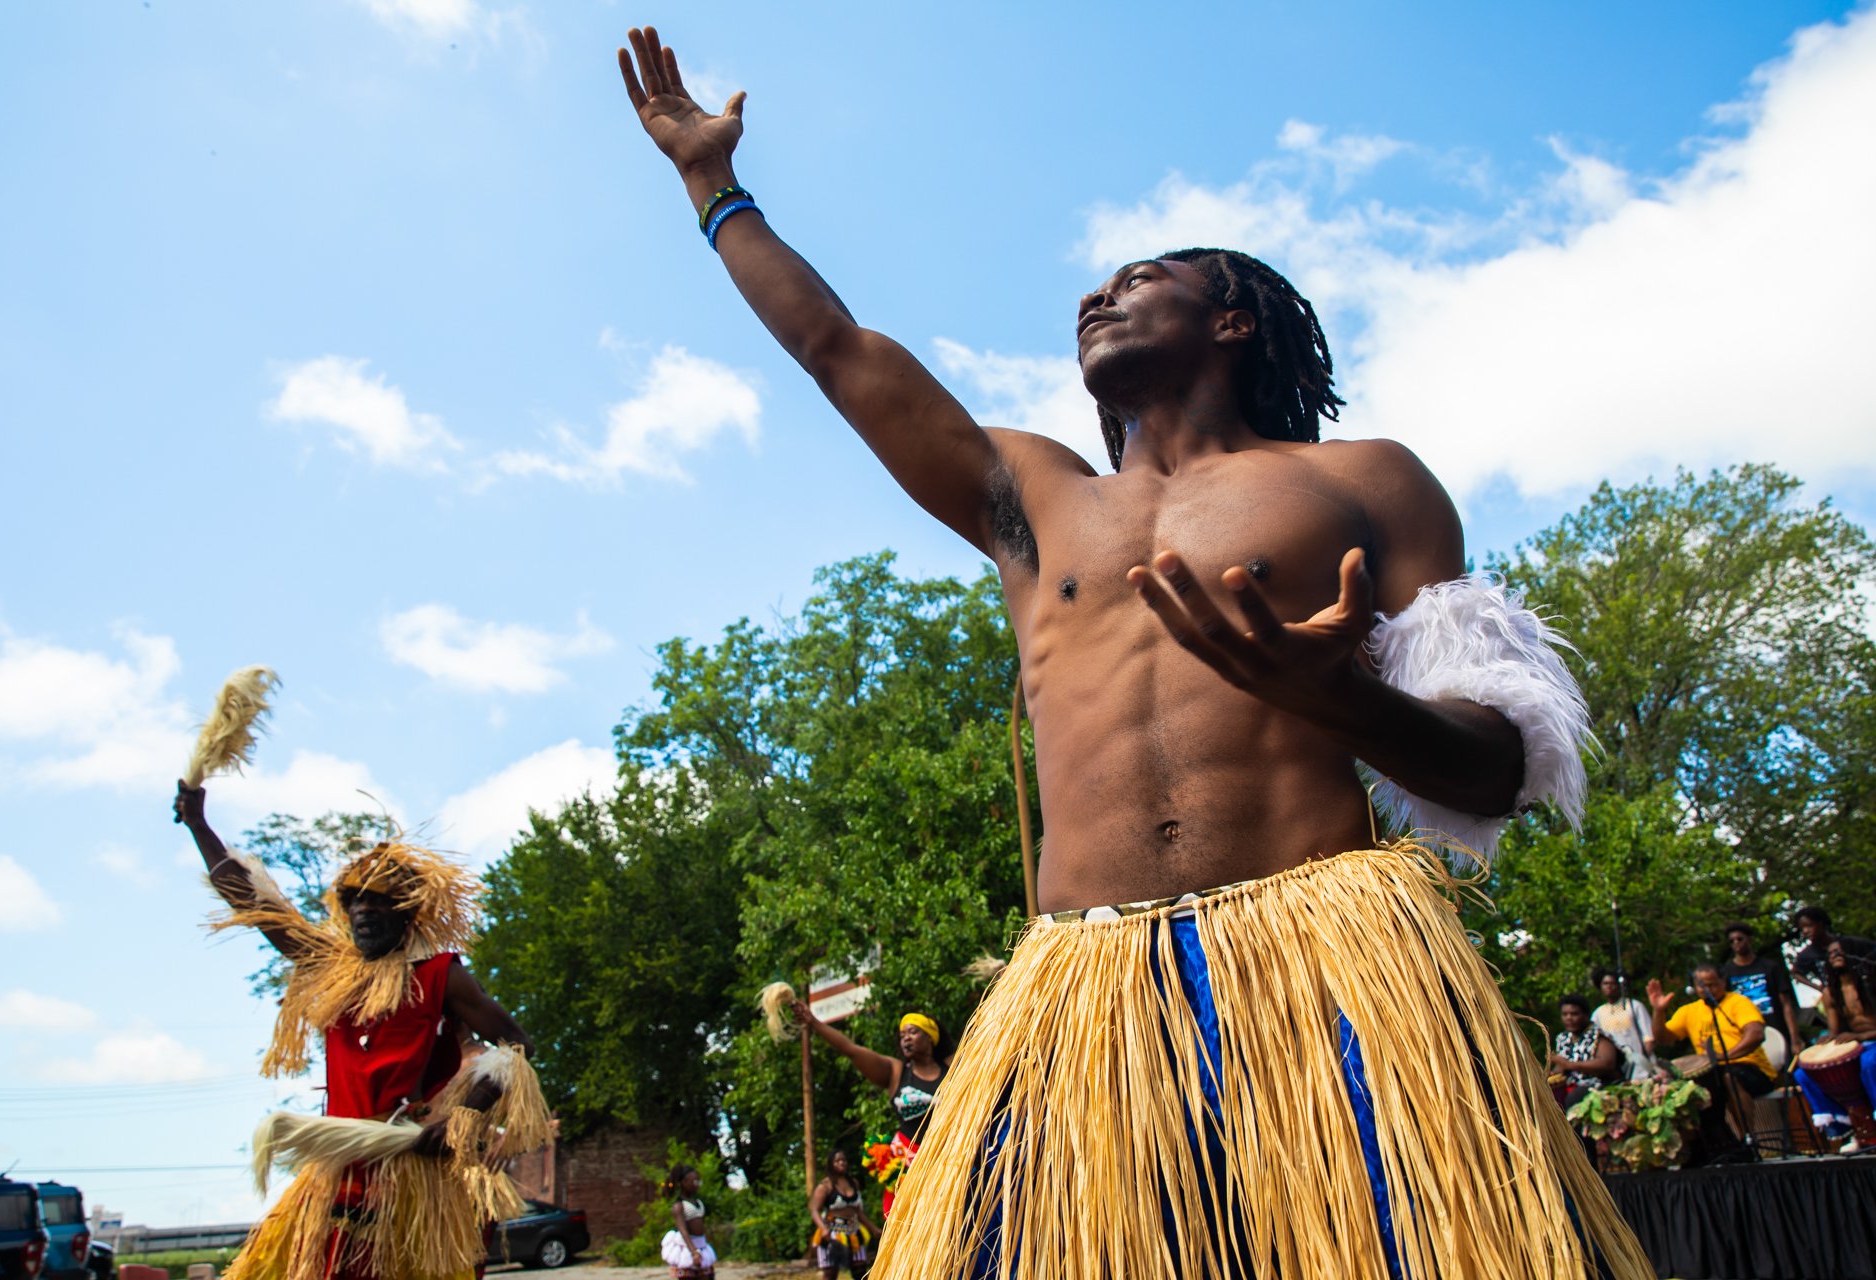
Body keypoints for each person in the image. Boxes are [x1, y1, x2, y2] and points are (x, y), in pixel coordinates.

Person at [616, 27, 1647, 1279]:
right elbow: (837, 351)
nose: (1095, 297)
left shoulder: (1364, 481)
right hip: (1081, 991)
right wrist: (711, 188)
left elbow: (1497, 769)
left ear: (1229, 318)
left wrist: (1347, 702)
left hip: (1328, 969)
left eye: (1136, 279)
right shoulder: (1034, 493)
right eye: (1091, 293)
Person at [173, 781, 550, 1280]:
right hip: (336, 1169)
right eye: (355, 901)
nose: (363, 911)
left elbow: (517, 1046)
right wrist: (200, 826)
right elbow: (252, 902)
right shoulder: (331, 967)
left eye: (379, 901)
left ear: (407, 914)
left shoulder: (440, 975)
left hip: (408, 1168)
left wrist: (461, 1118)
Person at [792, 1000, 948, 1211]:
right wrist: (814, 1022)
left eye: (912, 1032)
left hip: (949, 1159)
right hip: (909, 1165)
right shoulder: (896, 1072)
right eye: (902, 1036)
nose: (906, 1039)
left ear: (930, 1036)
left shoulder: (952, 1067)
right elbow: (851, 1050)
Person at [1647, 965, 1776, 1162]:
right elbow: (1663, 1039)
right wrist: (1658, 1011)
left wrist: (1724, 1057)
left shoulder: (1738, 1002)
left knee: (1728, 1076)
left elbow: (1756, 1034)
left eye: (1712, 984)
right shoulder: (1690, 1011)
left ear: (1723, 982)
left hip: (1751, 1068)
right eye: (1701, 985)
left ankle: (1749, 1141)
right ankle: (1710, 1147)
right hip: (1714, 1072)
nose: (1707, 989)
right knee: (1689, 1089)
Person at [1793, 940, 1876, 1144]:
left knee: (1868, 1064)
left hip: (1871, 1042)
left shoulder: (1871, 984)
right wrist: (1827, 1040)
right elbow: (1835, 1030)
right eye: (1831, 954)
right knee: (1803, 1073)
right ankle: (1842, 1123)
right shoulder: (1831, 992)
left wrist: (1861, 1037)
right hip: (1857, 1045)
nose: (1835, 956)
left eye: (1840, 951)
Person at [1719, 920, 1802, 1050]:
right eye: (1732, 941)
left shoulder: (1770, 967)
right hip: (1746, 1036)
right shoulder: (1726, 972)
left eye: (1740, 939)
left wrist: (1795, 1039)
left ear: (1749, 939)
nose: (1736, 943)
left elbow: (1786, 1004)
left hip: (1777, 1031)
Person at [810, 1150, 880, 1279]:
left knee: (861, 1271)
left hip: (854, 1232)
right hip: (832, 1234)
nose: (842, 1163)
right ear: (831, 1164)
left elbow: (858, 1211)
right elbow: (814, 1210)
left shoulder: (853, 1183)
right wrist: (823, 1229)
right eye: (837, 1161)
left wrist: (874, 1229)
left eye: (844, 1160)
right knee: (830, 1273)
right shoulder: (825, 1186)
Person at [1549, 994, 1620, 1111]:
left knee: (1573, 1099)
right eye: (1565, 1014)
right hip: (1570, 1085)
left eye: (1574, 1014)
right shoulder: (1563, 1038)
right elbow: (1561, 1068)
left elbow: (1607, 1063)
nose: (1569, 1018)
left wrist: (1570, 1065)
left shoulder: (1598, 1036)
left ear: (1586, 1015)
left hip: (1598, 1086)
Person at [1589, 968, 1658, 1081]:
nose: (1609, 987)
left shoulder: (1634, 1006)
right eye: (1605, 983)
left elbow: (1649, 1037)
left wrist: (1645, 1059)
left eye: (1613, 983)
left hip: (1641, 1066)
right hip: (1617, 1070)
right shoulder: (1597, 1014)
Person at [1791, 906, 1876, 988]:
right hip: (1836, 995)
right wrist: (1819, 988)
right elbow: (1795, 973)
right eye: (1802, 928)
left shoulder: (1850, 942)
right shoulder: (1807, 954)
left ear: (1820, 924)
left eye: (1809, 926)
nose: (1805, 931)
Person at [661, 1166, 716, 1279]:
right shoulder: (679, 1206)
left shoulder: (698, 1203)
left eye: (698, 1181)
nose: (697, 1184)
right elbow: (683, 1230)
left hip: (701, 1245)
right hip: (688, 1247)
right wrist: (693, 1252)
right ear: (683, 1182)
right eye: (694, 1181)